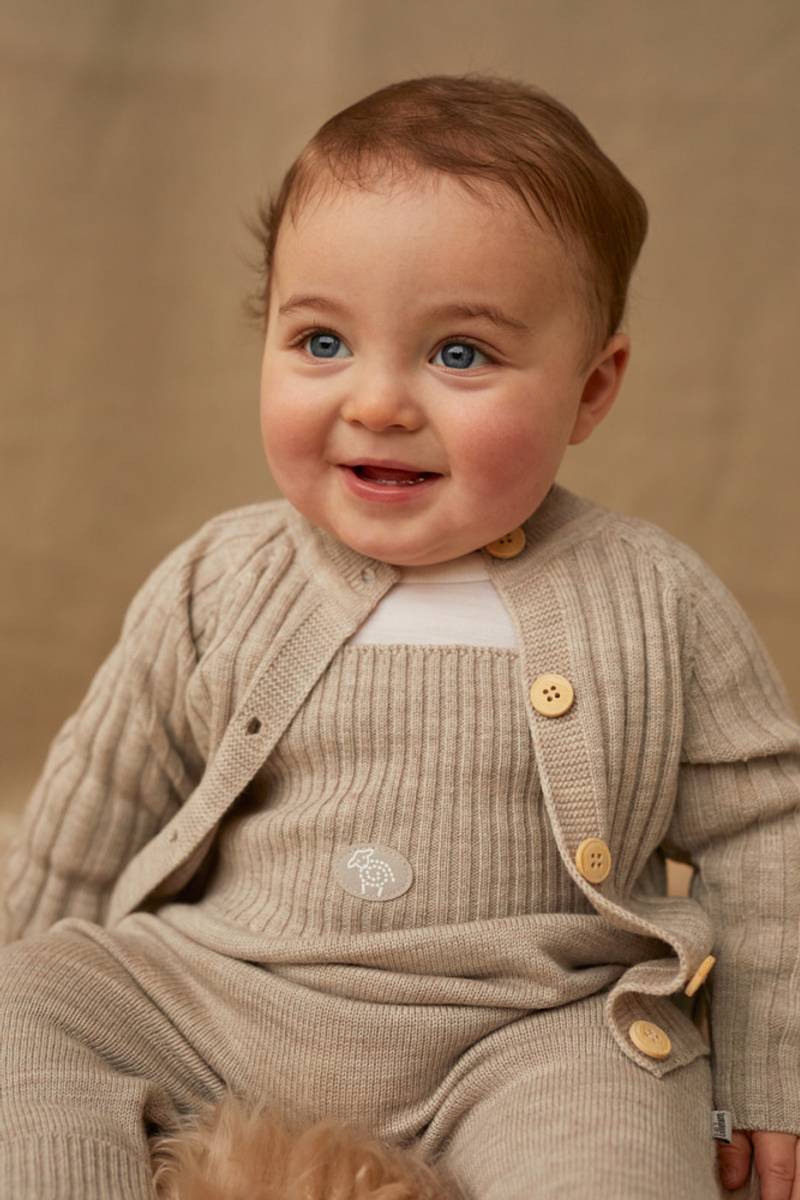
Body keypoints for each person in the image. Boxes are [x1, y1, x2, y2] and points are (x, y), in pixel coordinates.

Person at [1, 71, 798, 1200]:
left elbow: (766, 838)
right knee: (22, 1014)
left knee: (615, 1132)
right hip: (219, 995)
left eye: (459, 354)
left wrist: (772, 1071)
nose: (376, 403)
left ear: (590, 388)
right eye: (321, 340)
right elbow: (102, 794)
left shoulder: (654, 598)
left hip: (522, 1031)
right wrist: (26, 952)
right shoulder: (222, 577)